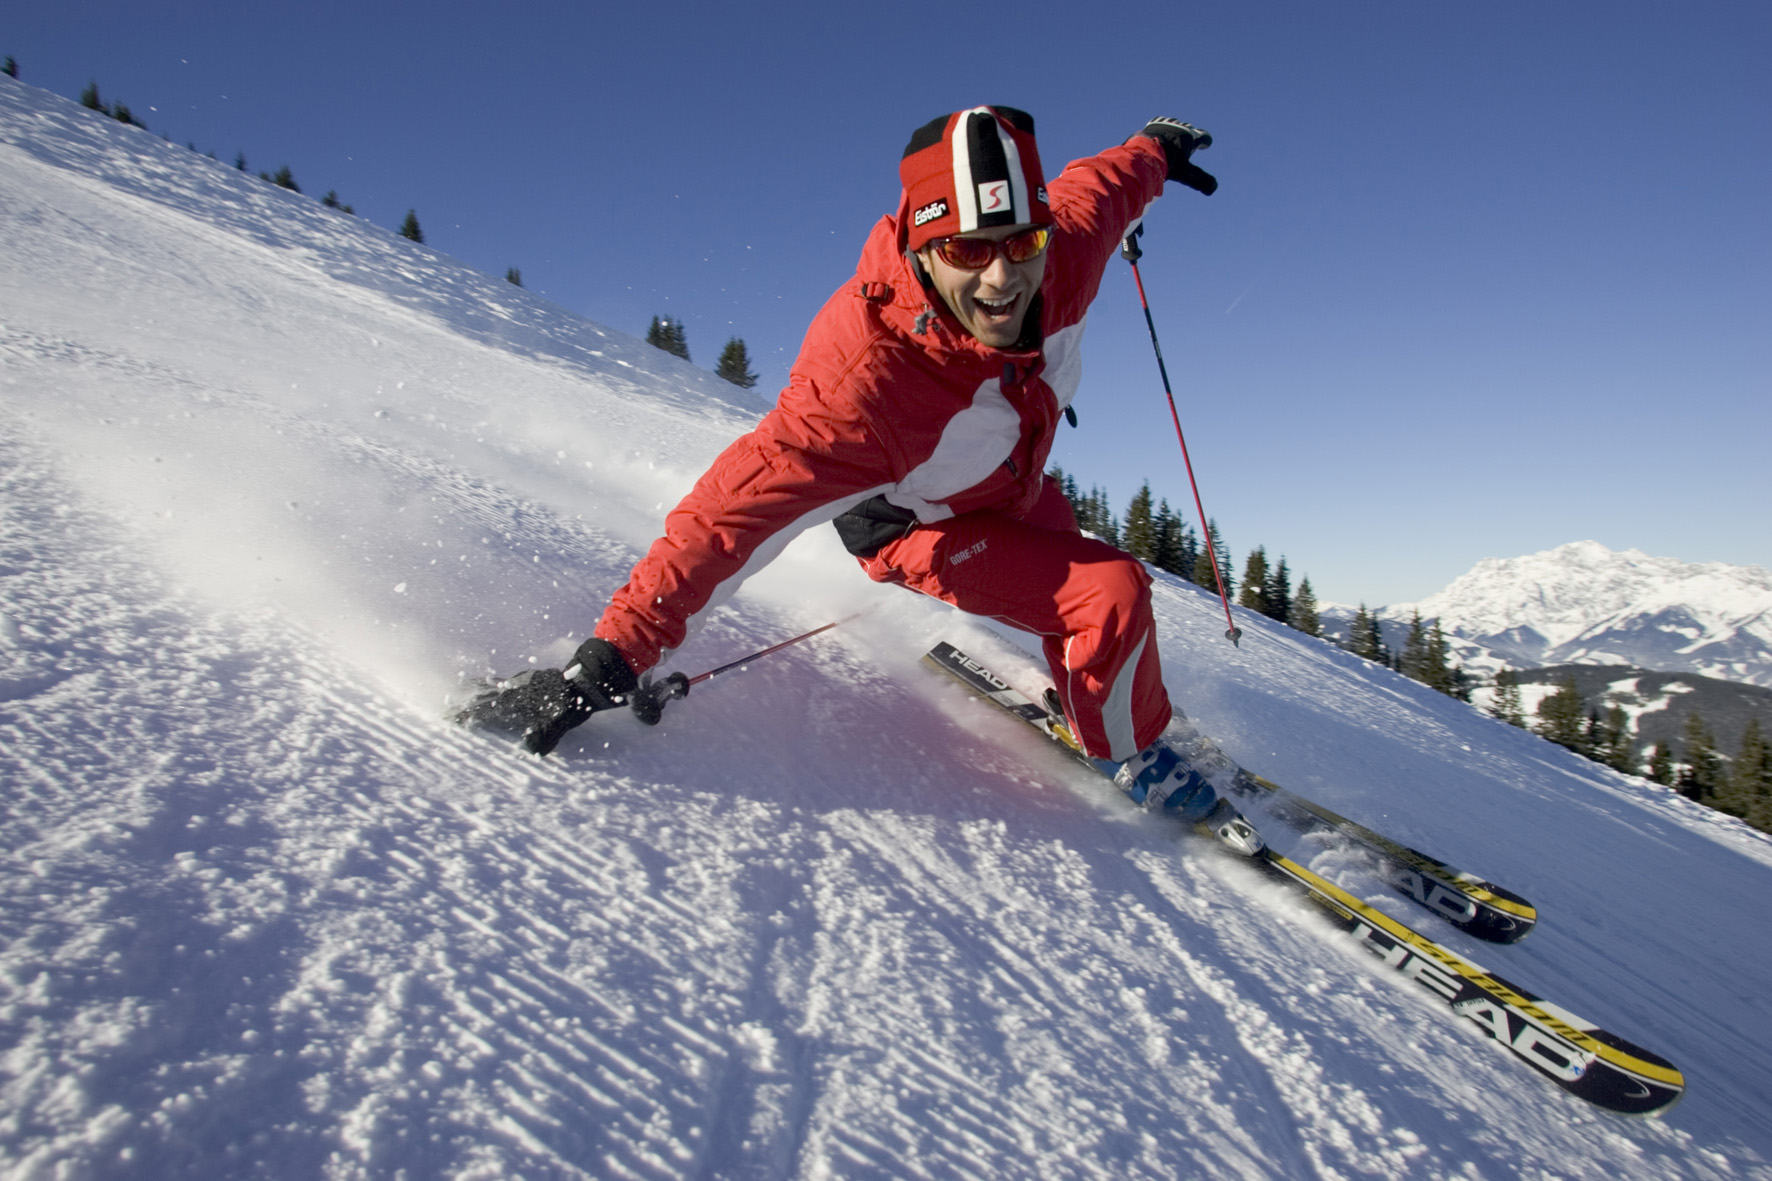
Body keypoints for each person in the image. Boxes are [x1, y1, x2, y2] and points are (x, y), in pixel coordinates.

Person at [471, 106, 1247, 837]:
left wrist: (1155, 150)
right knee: (1111, 591)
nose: (1002, 279)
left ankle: (1092, 691)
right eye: (969, 251)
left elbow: (1104, 188)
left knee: (1071, 562)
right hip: (918, 527)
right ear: (921, 245)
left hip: (1006, 484)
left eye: (1020, 242)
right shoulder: (867, 384)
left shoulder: (1064, 252)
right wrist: (607, 662)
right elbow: (730, 513)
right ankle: (1127, 751)